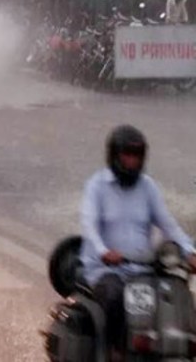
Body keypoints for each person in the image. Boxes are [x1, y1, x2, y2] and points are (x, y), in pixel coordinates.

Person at [80, 125, 196, 355]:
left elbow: (168, 224)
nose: (132, 161)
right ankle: (114, 352)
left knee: (174, 295)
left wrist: (189, 251)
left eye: (137, 155)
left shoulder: (147, 186)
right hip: (105, 271)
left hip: (141, 269)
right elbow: (89, 225)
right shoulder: (97, 186)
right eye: (127, 155)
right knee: (114, 297)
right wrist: (104, 251)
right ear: (114, 155)